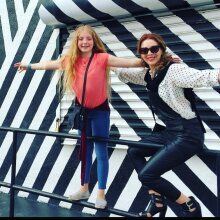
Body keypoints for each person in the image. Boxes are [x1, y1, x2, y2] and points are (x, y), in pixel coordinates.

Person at [14, 24, 146, 209]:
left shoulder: (102, 58)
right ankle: (84, 188)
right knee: (85, 151)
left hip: (100, 112)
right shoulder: (70, 60)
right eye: (81, 39)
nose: (85, 42)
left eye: (88, 39)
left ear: (94, 41)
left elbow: (130, 62)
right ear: (76, 42)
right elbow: (47, 64)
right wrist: (28, 65)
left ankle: (100, 193)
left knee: (101, 153)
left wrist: (157, 60)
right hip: (82, 112)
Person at [113, 33, 220, 217]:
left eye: (154, 49)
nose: (150, 53)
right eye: (144, 50)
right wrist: (104, 62)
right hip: (170, 132)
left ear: (162, 50)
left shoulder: (174, 71)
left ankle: (189, 204)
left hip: (188, 134)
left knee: (147, 175)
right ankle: (157, 201)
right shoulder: (149, 73)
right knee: (134, 151)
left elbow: (203, 76)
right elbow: (126, 73)